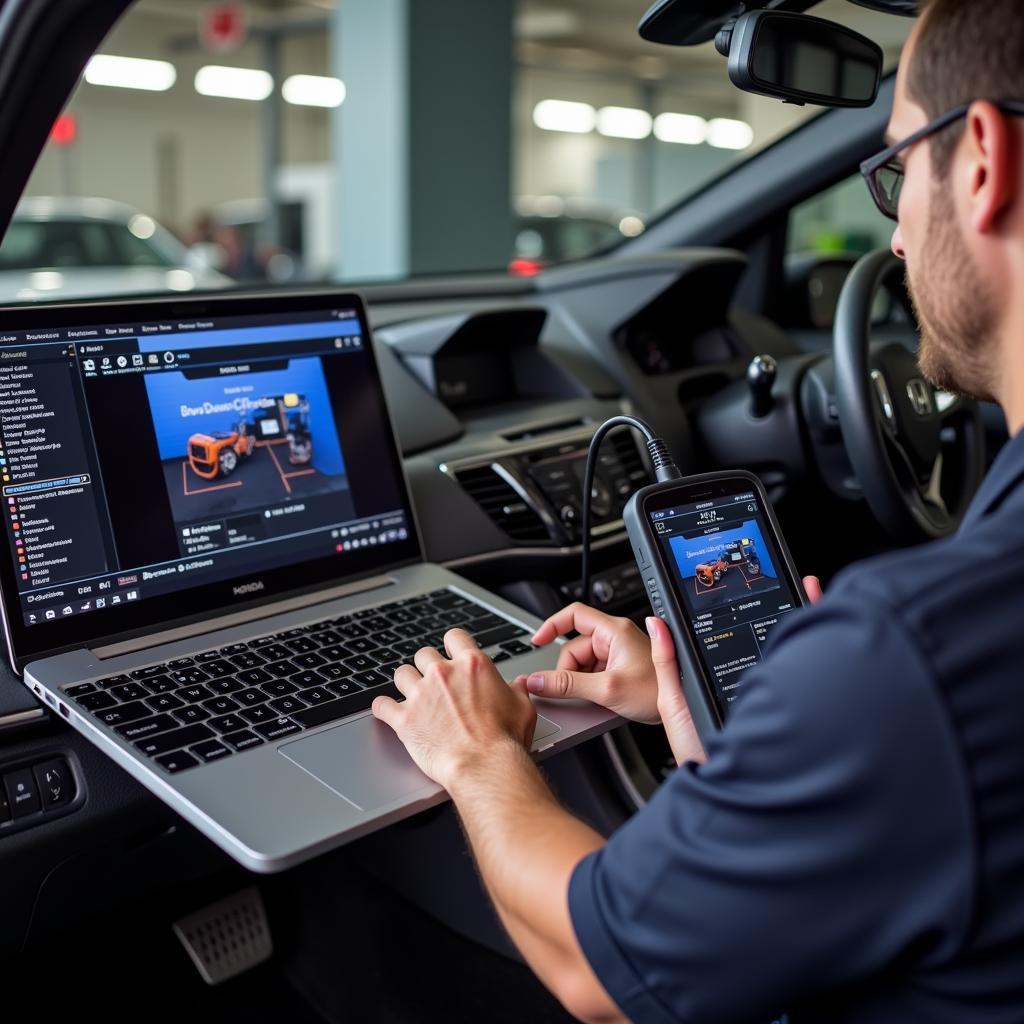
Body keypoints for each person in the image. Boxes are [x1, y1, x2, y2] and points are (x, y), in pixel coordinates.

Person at [371, 1, 1024, 1019]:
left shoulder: (911, 654)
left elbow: (598, 968)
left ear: (978, 160)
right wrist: (788, 733)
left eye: (896, 173)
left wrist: (478, 753)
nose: (893, 236)